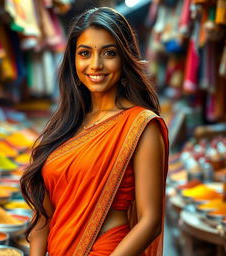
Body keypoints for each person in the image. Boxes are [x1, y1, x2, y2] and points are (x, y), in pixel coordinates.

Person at [20, 6, 169, 256]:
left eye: (109, 53)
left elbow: (150, 221)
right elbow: (43, 215)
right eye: (85, 53)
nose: (95, 64)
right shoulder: (64, 126)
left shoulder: (141, 126)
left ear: (124, 59)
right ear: (74, 61)